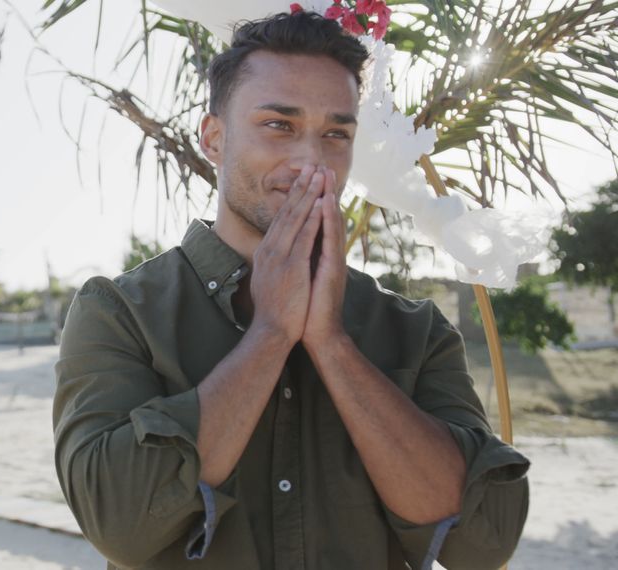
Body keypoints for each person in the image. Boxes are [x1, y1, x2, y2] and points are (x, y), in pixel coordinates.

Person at [52, 11, 530, 570]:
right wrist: (272, 333)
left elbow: (483, 544)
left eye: (336, 134)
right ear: (214, 137)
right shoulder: (120, 312)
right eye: (279, 124)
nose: (310, 160)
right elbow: (121, 526)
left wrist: (331, 343)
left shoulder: (414, 330)